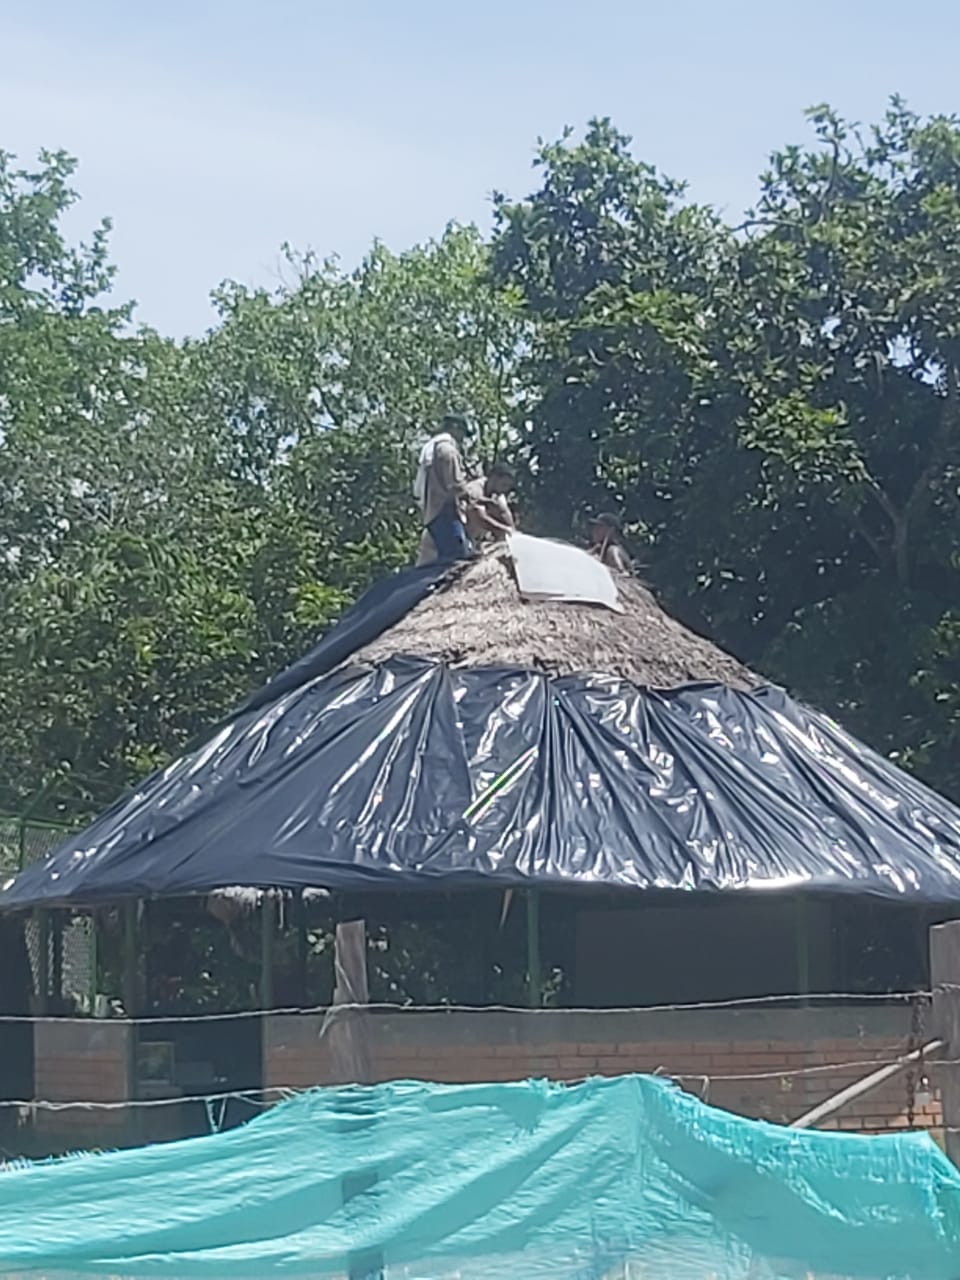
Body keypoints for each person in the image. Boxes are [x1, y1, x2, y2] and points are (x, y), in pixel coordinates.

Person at [413, 413, 472, 564]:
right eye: (462, 433)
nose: (462, 438)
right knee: (456, 559)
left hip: (432, 512)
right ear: (455, 428)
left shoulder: (432, 448)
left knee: (443, 558)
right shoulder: (448, 451)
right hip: (445, 511)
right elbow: (456, 485)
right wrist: (474, 497)